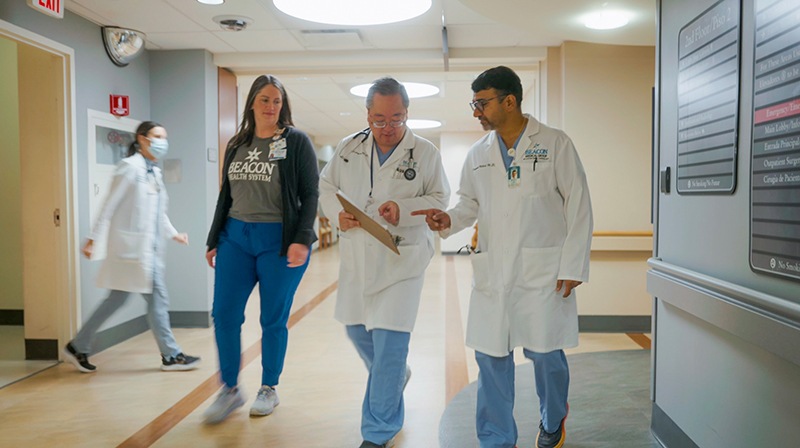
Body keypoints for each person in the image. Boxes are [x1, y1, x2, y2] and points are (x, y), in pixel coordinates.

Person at [413, 66, 593, 448]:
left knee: (546, 358)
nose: (476, 111)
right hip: (494, 271)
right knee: (491, 360)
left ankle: (552, 419)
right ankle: (496, 438)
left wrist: (573, 264)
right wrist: (448, 219)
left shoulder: (555, 143)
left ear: (509, 101)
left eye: (482, 103)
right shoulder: (479, 154)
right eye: (474, 104)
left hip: (544, 272)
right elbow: (468, 204)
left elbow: (579, 206)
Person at [319, 77, 450, 448]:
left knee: (390, 344)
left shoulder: (425, 153)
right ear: (368, 114)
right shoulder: (348, 148)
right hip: (359, 257)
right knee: (356, 330)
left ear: (407, 114)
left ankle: (377, 433)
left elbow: (440, 196)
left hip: (401, 260)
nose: (388, 128)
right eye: (379, 120)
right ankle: (393, 377)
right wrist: (335, 214)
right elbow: (327, 188)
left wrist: (404, 210)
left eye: (397, 119)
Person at [203, 75, 319, 424]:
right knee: (224, 315)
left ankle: (269, 387)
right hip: (235, 237)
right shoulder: (238, 141)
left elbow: (310, 193)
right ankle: (229, 389)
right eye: (265, 100)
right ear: (252, 102)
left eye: (277, 101)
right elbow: (227, 193)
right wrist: (213, 238)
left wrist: (301, 238)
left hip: (279, 242)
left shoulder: (296, 141)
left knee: (272, 319)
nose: (271, 107)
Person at [63, 121, 201, 374]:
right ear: (142, 139)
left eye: (164, 137)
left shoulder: (154, 172)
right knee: (157, 300)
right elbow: (109, 204)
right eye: (158, 136)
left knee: (116, 300)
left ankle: (78, 344)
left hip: (146, 251)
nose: (163, 142)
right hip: (132, 251)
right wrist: (93, 238)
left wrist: (174, 234)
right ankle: (171, 355)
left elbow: (159, 213)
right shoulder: (129, 167)